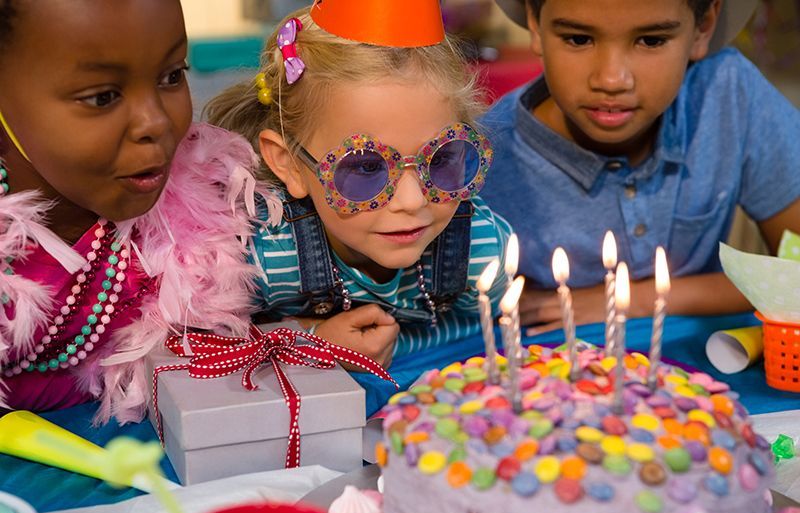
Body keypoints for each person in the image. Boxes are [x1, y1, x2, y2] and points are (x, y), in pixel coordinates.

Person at [0, 0, 275, 423]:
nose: (157, 123)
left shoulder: (214, 216)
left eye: (171, 76)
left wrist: (300, 335)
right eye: (102, 97)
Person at [207, 2, 512, 367]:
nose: (413, 201)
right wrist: (309, 337)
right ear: (289, 164)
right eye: (367, 166)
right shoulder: (259, 256)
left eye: (441, 158)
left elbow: (488, 337)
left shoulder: (481, 249)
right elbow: (196, 343)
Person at [482, 0, 800, 331]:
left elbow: (795, 275)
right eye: (578, 39)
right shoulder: (485, 161)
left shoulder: (728, 91)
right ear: (535, 24)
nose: (612, 79)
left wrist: (628, 299)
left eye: (651, 40)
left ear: (703, 26)